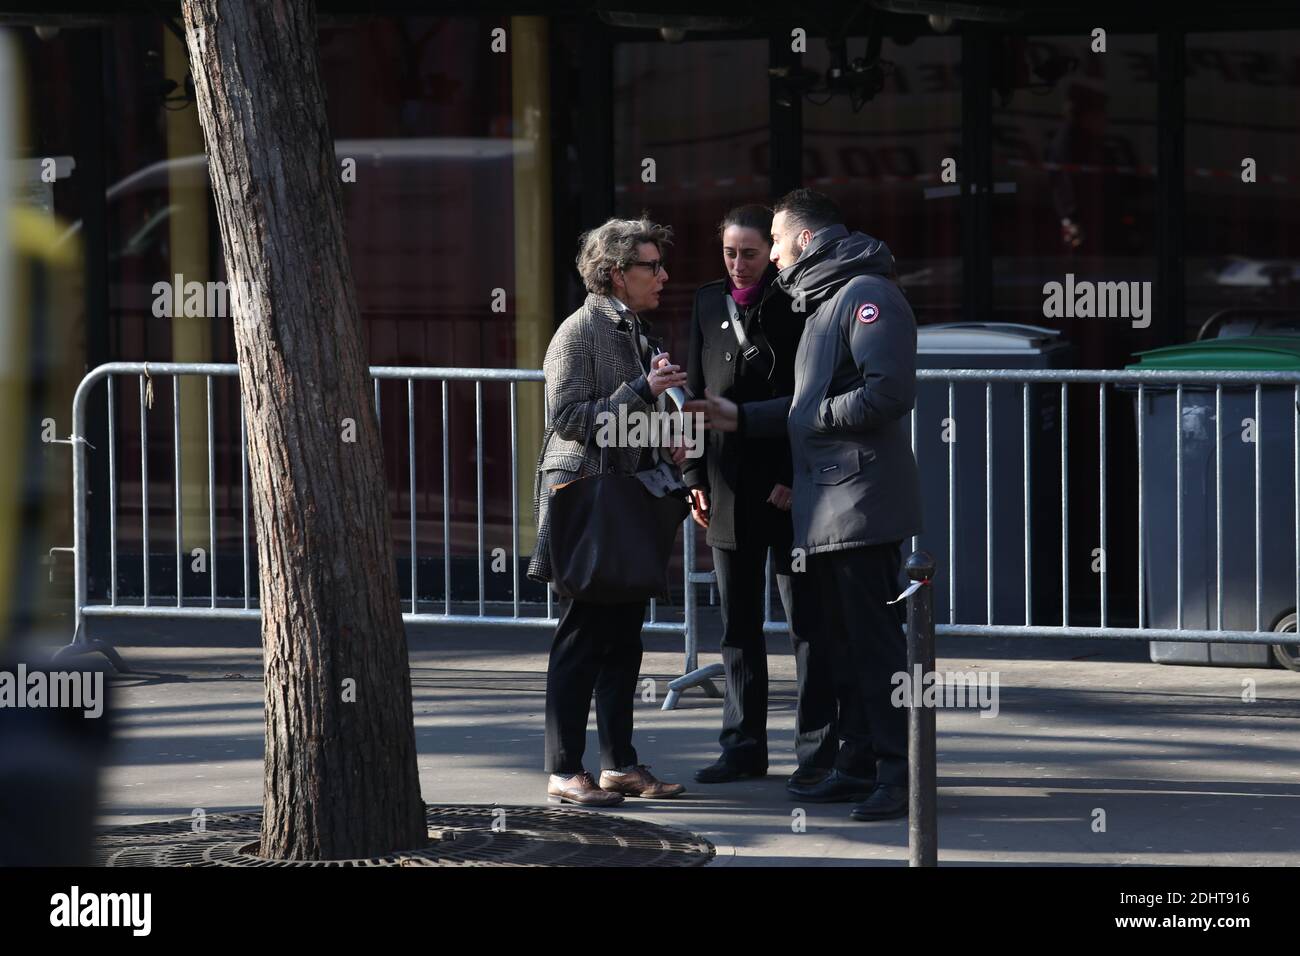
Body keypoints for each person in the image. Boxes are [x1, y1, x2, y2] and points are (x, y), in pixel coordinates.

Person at [692, 189, 922, 821]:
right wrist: (738, 416)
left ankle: (897, 775)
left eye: (776, 239)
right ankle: (856, 764)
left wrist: (812, 417)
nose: (773, 254)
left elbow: (888, 393)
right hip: (830, 509)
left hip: (860, 506)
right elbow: (805, 403)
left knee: (874, 650)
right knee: (842, 647)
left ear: (804, 240)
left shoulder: (864, 297)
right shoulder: (827, 300)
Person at [527, 216, 690, 807]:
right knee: (581, 637)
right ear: (617, 273)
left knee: (624, 639)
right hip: (588, 506)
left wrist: (666, 434)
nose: (663, 276)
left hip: (625, 505)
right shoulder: (577, 332)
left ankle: (619, 763)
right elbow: (569, 420)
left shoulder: (634, 330)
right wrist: (642, 395)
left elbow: (623, 423)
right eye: (651, 266)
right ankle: (564, 768)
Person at [681, 204, 838, 789]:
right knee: (737, 626)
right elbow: (694, 394)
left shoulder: (798, 302)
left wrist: (796, 477)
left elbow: (809, 397)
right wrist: (693, 477)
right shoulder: (705, 302)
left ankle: (817, 752)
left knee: (808, 626)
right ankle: (742, 746)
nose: (740, 264)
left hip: (788, 491)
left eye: (750, 252)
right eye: (729, 253)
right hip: (725, 486)